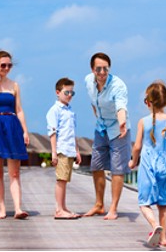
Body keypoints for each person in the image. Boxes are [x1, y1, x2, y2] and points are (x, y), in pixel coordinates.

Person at [128, 80, 166, 248]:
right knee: (163, 203)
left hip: (149, 161)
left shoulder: (143, 121)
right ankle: (163, 238)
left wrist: (133, 161)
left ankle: (155, 226)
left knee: (144, 202)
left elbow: (137, 146)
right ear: (165, 101)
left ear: (148, 102)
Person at [0, 50, 30, 220]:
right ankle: (2, 209)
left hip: (12, 126)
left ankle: (18, 208)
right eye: (3, 65)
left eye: (9, 65)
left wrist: (25, 130)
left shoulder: (14, 85)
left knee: (15, 173)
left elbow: (19, 109)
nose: (6, 68)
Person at [83, 52, 130, 220]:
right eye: (98, 69)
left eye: (105, 69)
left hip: (118, 129)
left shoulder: (118, 85)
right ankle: (98, 205)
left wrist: (122, 122)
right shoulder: (88, 80)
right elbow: (93, 102)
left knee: (117, 169)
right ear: (92, 69)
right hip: (101, 127)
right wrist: (97, 116)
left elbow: (121, 106)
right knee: (96, 166)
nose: (102, 72)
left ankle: (113, 208)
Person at [46, 77, 82, 220]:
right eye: (66, 92)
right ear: (58, 92)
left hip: (70, 149)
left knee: (65, 179)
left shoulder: (70, 111)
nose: (69, 96)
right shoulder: (55, 110)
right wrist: (54, 152)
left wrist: (77, 151)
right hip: (61, 149)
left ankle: (63, 206)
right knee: (61, 179)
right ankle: (58, 209)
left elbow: (73, 132)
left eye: (72, 93)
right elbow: (52, 132)